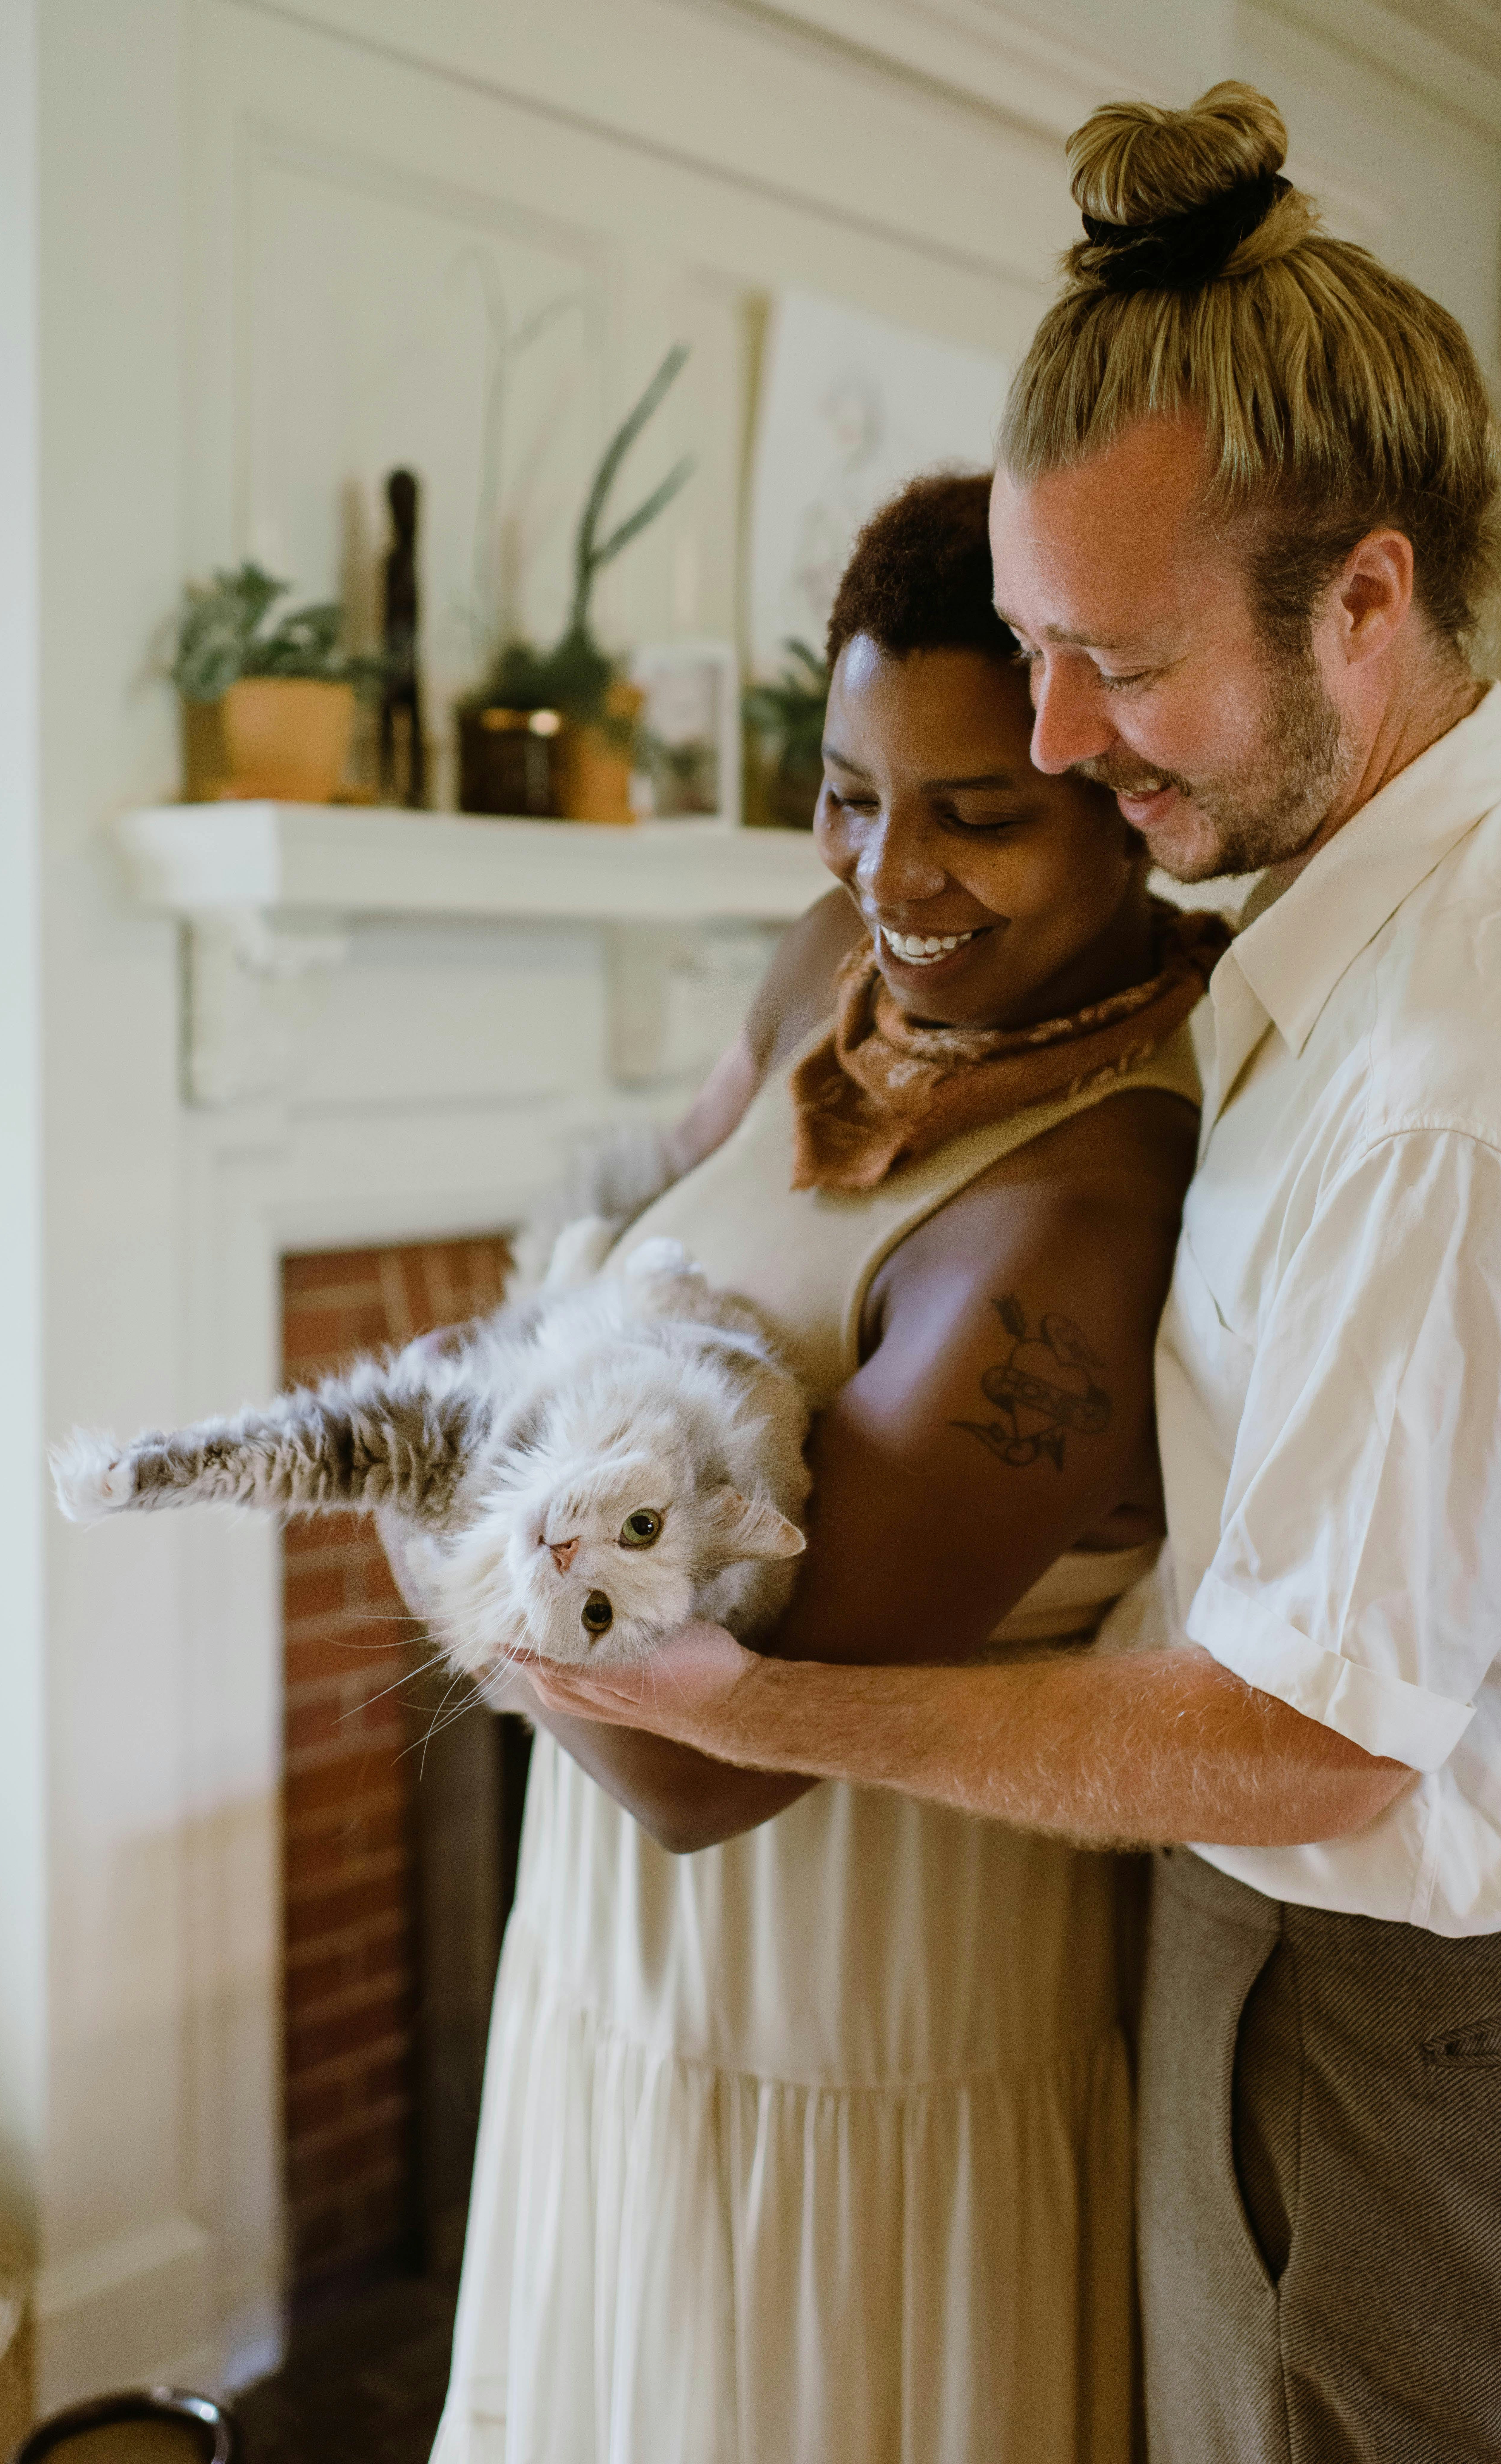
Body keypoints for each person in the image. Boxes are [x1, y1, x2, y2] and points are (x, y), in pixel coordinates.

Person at [530, 81, 1501, 2464]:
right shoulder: (1314, 950)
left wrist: (747, 1709)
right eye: (1033, 660)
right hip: (1233, 1953)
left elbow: (1311, 1724)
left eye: (1117, 669)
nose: (1062, 742)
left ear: (1362, 602)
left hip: (1367, 2018)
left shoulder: (1438, 1082)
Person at [412, 471, 1226, 2464]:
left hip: (856, 2026)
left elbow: (709, 1764)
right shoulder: (829, 976)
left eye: (978, 813)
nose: (894, 872)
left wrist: (429, 1497)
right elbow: (608, 1283)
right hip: (623, 1970)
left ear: (1120, 794)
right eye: (853, 791)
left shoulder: (1077, 1218)